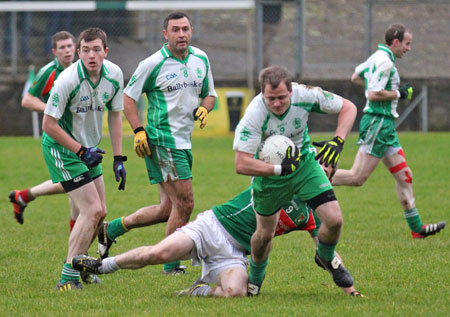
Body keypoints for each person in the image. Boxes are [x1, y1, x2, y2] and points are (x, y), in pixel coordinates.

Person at [71, 187, 363, 297]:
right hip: (213, 226)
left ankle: (196, 291)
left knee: (235, 292)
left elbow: (326, 253)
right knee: (161, 252)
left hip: (235, 252)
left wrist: (349, 289)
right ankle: (101, 266)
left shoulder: (310, 217)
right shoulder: (276, 183)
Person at [102, 12, 216, 275]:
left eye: (185, 29)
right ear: (165, 34)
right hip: (161, 140)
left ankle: (112, 229)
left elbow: (209, 95)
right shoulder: (153, 63)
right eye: (175, 30)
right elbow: (128, 98)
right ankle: (171, 263)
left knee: (168, 208)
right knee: (186, 203)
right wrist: (139, 130)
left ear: (191, 30)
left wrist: (205, 109)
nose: (181, 34)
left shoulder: (201, 58)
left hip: (184, 141)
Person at [232, 65, 357, 295]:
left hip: (305, 166)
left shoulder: (306, 95)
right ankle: (256, 279)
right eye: (271, 99)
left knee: (335, 219)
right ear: (262, 93)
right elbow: (241, 164)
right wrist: (279, 169)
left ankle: (326, 257)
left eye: (281, 97)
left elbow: (348, 107)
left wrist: (338, 141)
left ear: (291, 91)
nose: (277, 104)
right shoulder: (254, 114)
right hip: (270, 177)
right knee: (264, 234)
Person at [331, 23, 446, 239]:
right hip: (378, 123)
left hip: (385, 127)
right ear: (395, 42)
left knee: (405, 176)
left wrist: (375, 85)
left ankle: (417, 228)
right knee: (357, 177)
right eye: (407, 44)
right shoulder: (385, 63)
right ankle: (312, 180)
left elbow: (356, 77)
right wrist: (399, 94)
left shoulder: (376, 57)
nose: (409, 48)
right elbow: (374, 94)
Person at [41, 27, 126, 291]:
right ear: (78, 53)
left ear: (106, 52)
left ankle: (82, 266)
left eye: (96, 50)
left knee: (101, 213)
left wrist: (118, 157)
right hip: (63, 150)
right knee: (92, 210)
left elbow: (115, 115)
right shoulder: (67, 79)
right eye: (86, 50)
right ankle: (68, 277)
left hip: (89, 150)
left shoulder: (114, 75)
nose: (91, 55)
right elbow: (48, 124)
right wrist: (80, 151)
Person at [9, 31, 77, 228]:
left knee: (77, 183)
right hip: (58, 135)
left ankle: (23, 196)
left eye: (70, 46)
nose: (67, 50)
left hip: (76, 134)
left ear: (75, 47)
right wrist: (51, 109)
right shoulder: (49, 72)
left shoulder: (79, 68)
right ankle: (79, 243)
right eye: (62, 47)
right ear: (54, 51)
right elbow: (27, 99)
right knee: (80, 184)